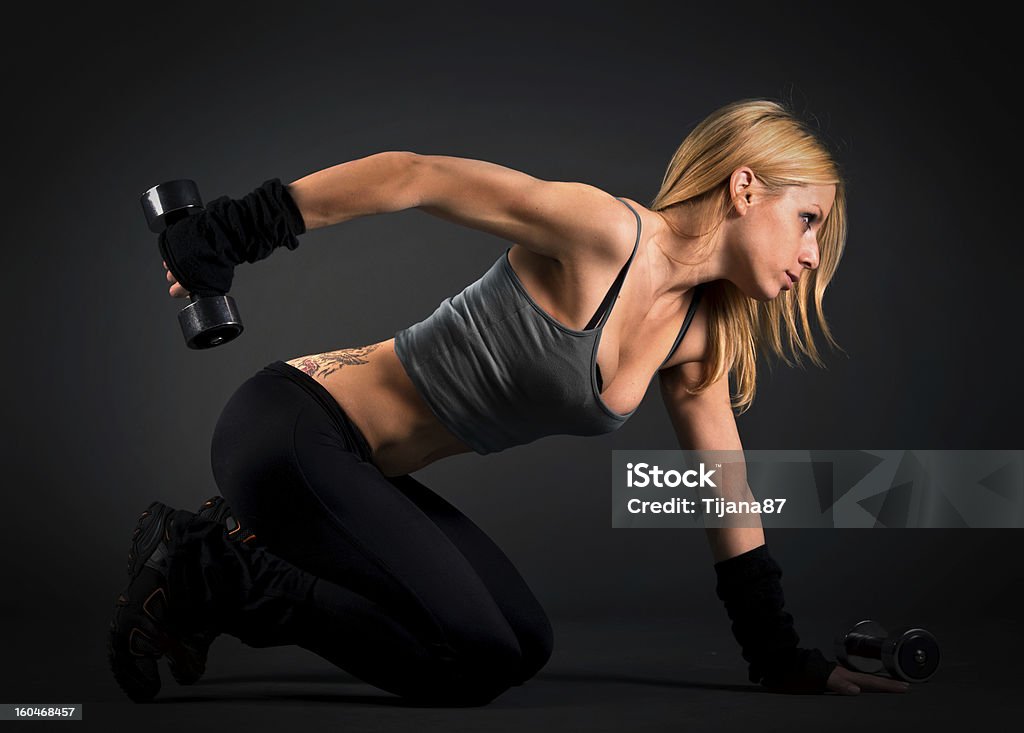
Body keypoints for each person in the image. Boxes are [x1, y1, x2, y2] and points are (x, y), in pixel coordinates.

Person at [109, 98, 909, 704]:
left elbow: (723, 485)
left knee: (522, 643)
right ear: (744, 187)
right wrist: (230, 232)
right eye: (806, 220)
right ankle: (210, 569)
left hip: (354, 473)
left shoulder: (697, 336)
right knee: (476, 658)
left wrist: (778, 655)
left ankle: (227, 557)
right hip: (289, 429)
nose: (811, 253)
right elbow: (413, 176)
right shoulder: (605, 234)